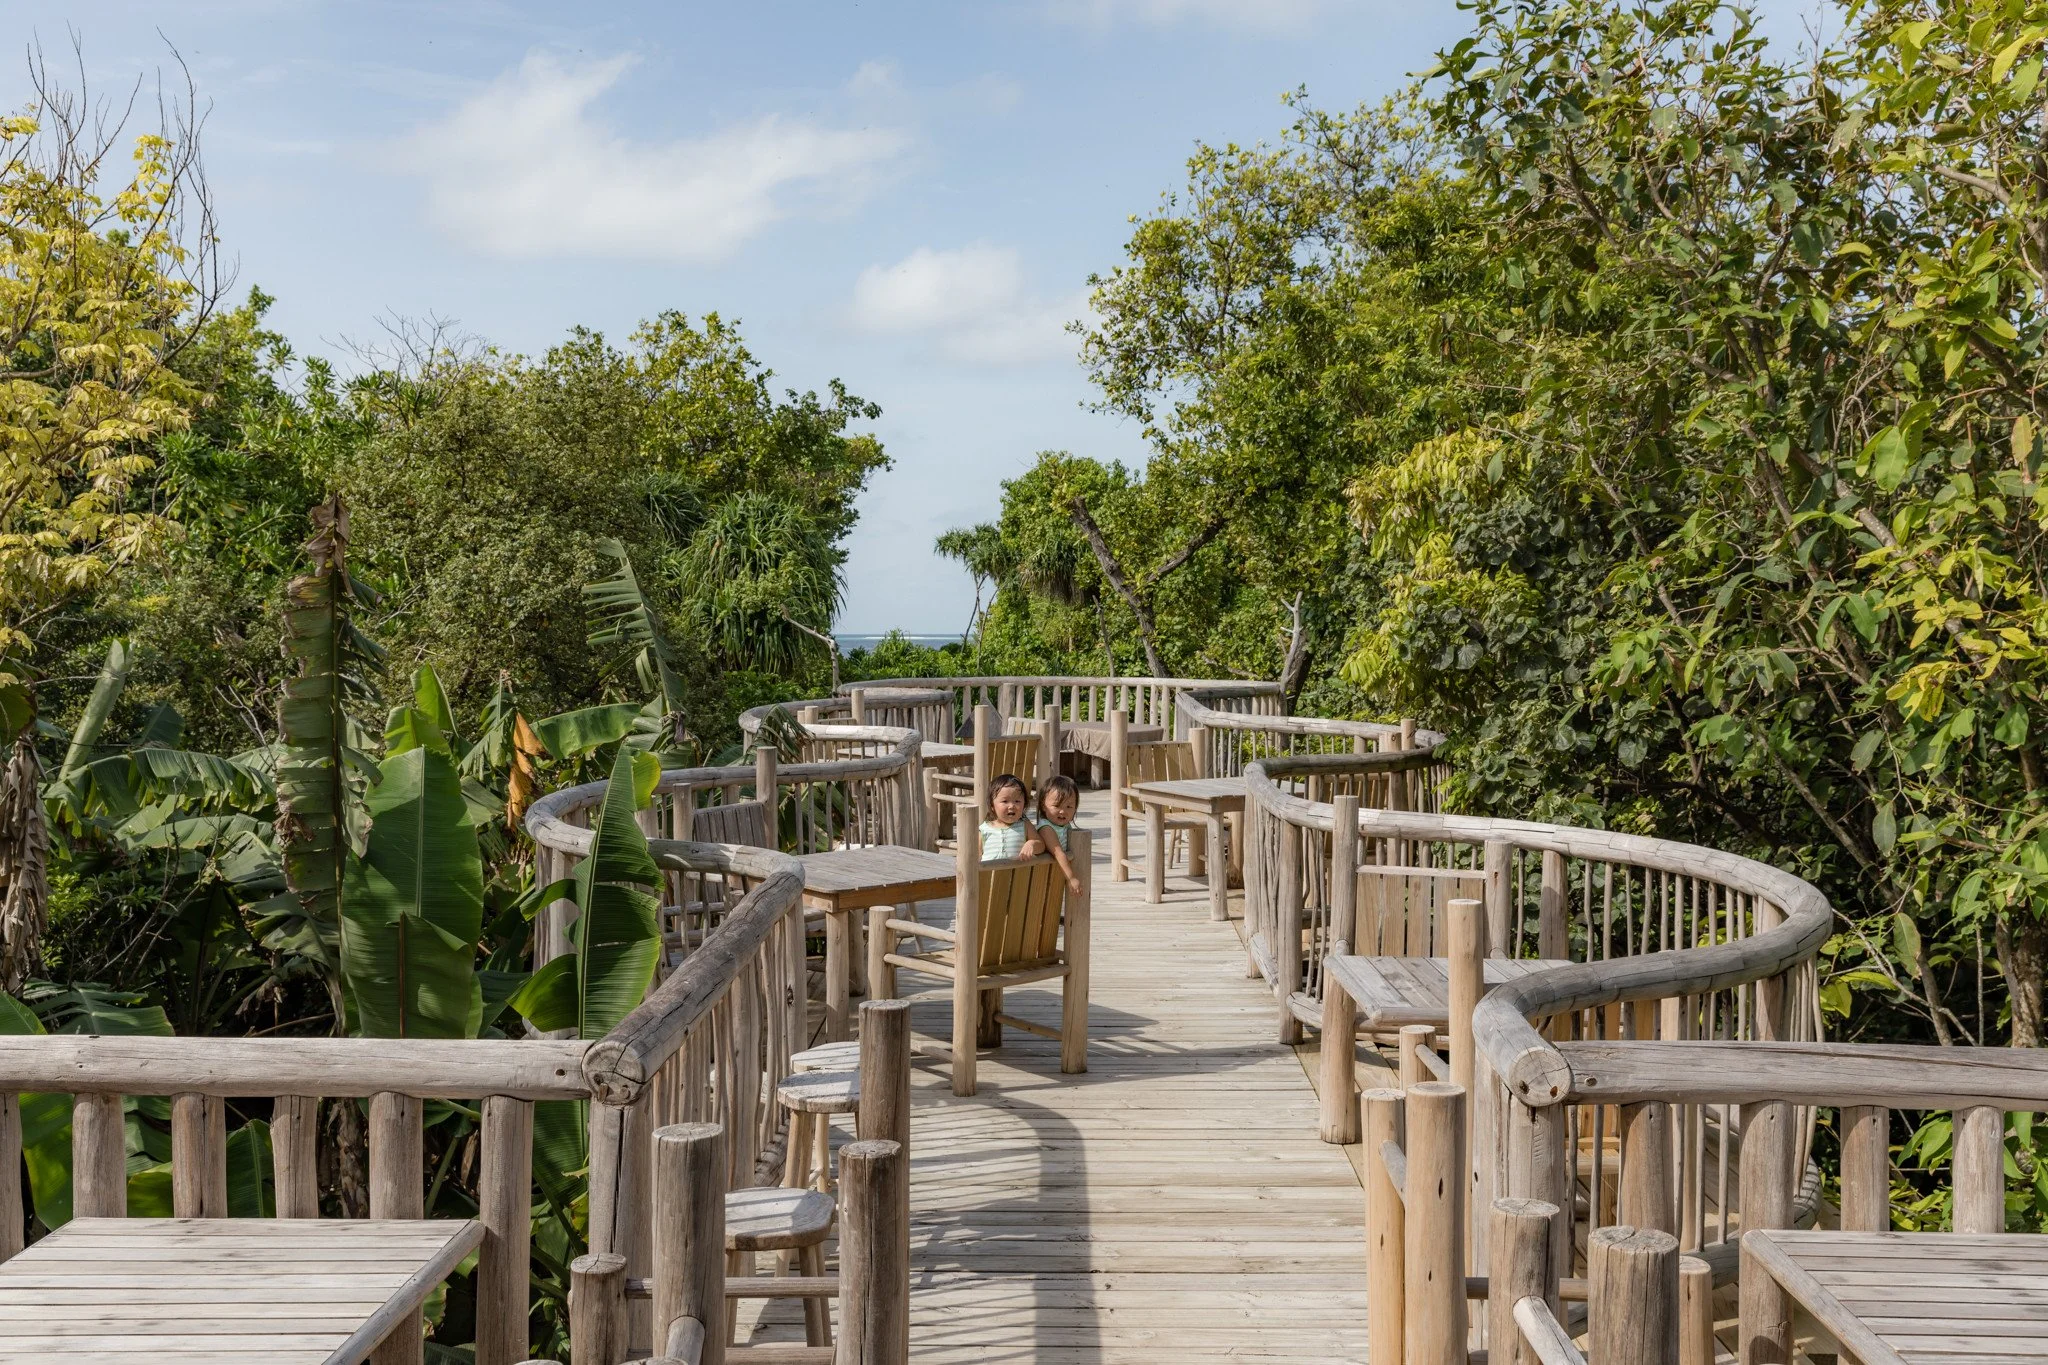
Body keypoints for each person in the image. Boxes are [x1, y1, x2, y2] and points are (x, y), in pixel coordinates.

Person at [1024, 774, 1084, 894]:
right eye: (1056, 806)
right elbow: (1058, 853)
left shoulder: (1064, 826)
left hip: (1056, 876)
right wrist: (1071, 878)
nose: (1063, 811)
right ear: (1043, 806)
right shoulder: (1046, 828)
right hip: (1043, 878)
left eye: (1069, 806)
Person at [979, 774, 1032, 861]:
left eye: (1017, 801)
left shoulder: (1025, 825)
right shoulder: (984, 829)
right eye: (1005, 801)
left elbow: (1041, 845)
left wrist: (1031, 844)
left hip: (1017, 874)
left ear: (1024, 803)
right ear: (992, 805)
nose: (1011, 806)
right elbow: (975, 856)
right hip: (989, 873)